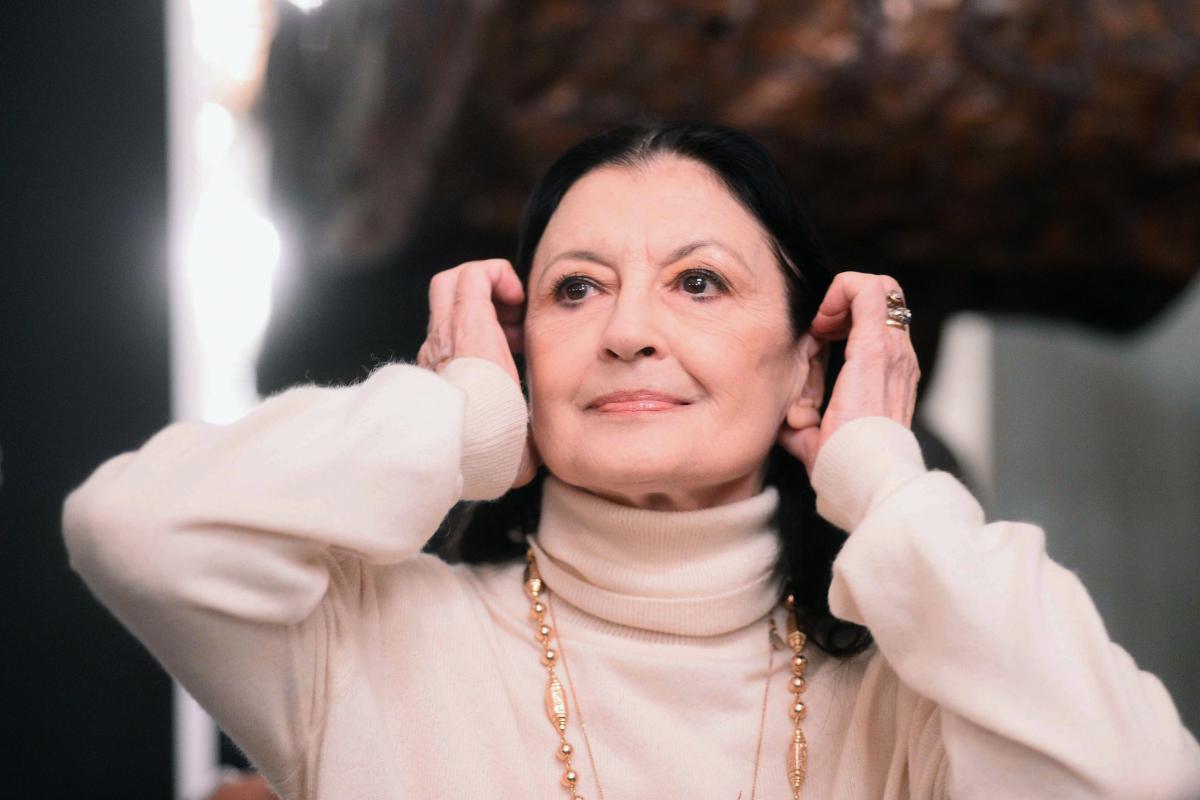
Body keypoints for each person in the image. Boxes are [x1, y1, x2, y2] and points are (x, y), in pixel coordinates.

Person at [64, 122, 1199, 799]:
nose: (628, 331)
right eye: (576, 289)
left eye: (699, 282)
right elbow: (135, 528)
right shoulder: (367, 643)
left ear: (805, 368)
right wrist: (453, 419)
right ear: (521, 352)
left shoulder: (919, 695)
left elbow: (1138, 780)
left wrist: (881, 478)